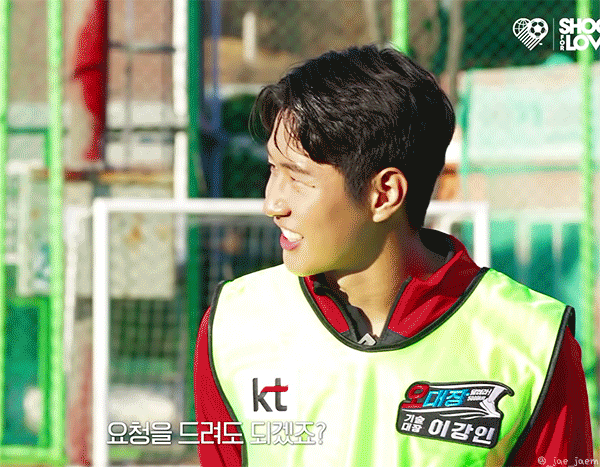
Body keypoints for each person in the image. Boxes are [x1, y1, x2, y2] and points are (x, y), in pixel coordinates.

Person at [194, 45, 593, 467]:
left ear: (384, 194)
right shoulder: (232, 325)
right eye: (273, 169)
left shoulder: (533, 344)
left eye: (298, 178)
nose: (272, 203)